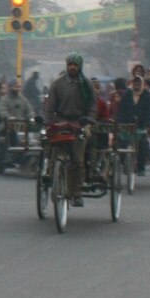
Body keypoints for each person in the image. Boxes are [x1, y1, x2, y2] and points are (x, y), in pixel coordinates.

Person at [43, 51, 95, 207]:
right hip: (60, 122)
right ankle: (51, 176)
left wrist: (88, 121)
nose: (72, 67)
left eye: (75, 65)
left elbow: (92, 106)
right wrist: (47, 122)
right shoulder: (57, 84)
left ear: (80, 66)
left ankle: (76, 193)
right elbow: (49, 105)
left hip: (79, 124)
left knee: (77, 160)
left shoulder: (86, 85)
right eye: (70, 65)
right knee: (53, 152)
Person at [117, 75, 150, 175]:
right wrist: (120, 123)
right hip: (128, 125)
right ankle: (124, 163)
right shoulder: (127, 95)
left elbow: (149, 112)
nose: (137, 86)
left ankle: (141, 167)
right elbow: (121, 111)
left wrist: (148, 124)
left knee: (142, 144)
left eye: (139, 84)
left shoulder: (147, 96)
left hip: (141, 126)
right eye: (135, 84)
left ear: (142, 85)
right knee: (122, 143)